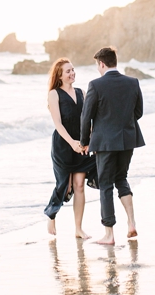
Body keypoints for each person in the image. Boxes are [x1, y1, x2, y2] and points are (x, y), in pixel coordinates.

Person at [80, 47, 144, 245]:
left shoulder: (96, 85)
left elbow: (86, 117)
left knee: (106, 185)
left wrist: (84, 141)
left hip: (105, 143)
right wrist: (122, 124)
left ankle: (109, 235)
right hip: (127, 139)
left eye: (97, 65)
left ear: (101, 63)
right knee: (121, 178)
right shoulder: (132, 82)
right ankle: (131, 223)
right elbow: (139, 112)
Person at [44, 58, 98, 239]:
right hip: (63, 145)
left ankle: (78, 229)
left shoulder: (82, 92)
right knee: (64, 186)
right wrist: (71, 143)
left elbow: (87, 121)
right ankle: (51, 214)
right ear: (59, 75)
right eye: (68, 71)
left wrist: (88, 140)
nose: (72, 73)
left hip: (81, 145)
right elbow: (58, 124)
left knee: (80, 185)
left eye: (73, 69)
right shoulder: (54, 94)